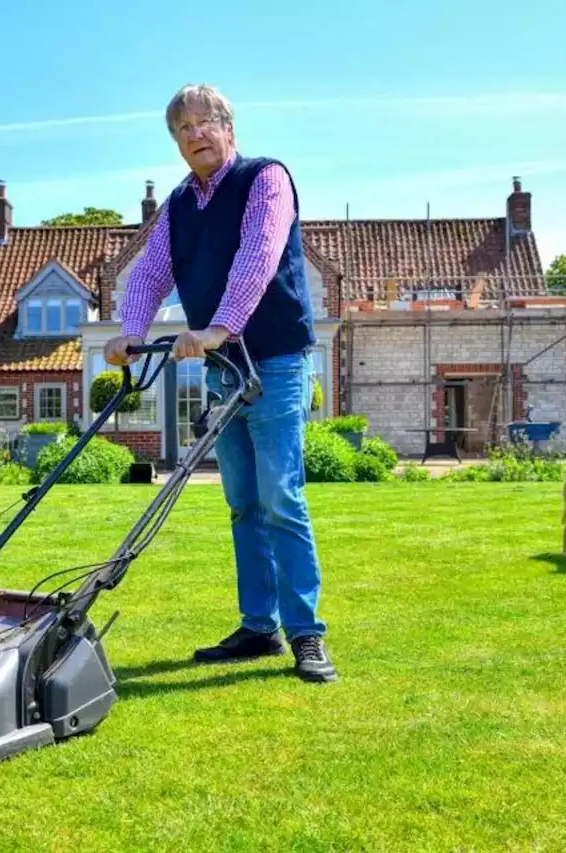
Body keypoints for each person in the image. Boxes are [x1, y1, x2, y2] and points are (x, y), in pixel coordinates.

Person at [104, 83, 336, 683]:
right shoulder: (180, 204)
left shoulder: (266, 179)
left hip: (277, 362)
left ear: (229, 128)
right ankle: (258, 627)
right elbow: (151, 271)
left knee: (281, 496)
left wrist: (220, 327)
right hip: (224, 370)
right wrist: (130, 333)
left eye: (206, 123)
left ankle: (305, 635)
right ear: (176, 143)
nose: (196, 134)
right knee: (242, 503)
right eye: (184, 128)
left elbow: (257, 256)